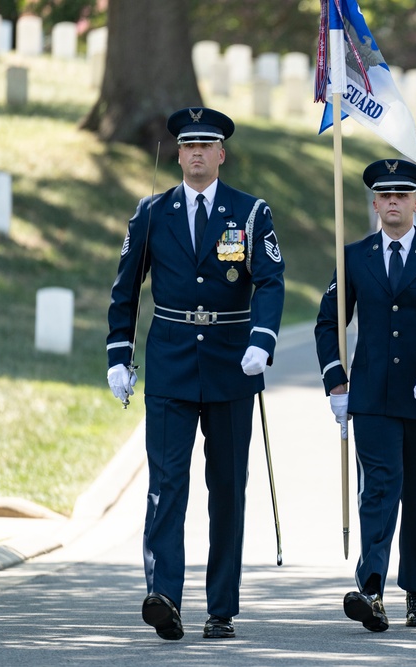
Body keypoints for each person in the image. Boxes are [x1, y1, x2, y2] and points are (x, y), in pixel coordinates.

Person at [106, 107, 286, 640]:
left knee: (227, 487)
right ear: (179, 154)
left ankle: (221, 606)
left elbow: (271, 281)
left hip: (233, 362)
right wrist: (119, 354)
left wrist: (263, 339)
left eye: (207, 146)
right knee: (165, 483)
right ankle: (164, 595)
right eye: (188, 147)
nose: (197, 154)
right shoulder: (151, 212)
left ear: (221, 154)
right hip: (170, 362)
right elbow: (126, 288)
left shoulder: (250, 213)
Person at [314, 158, 416, 632]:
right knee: (379, 489)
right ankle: (372, 588)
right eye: (385, 196)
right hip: (373, 398)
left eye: (401, 196)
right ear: (376, 204)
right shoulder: (354, 256)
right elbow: (329, 322)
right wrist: (336, 380)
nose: (393, 203)